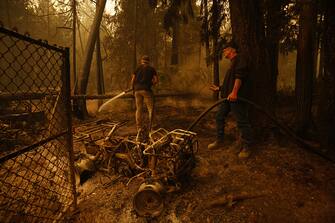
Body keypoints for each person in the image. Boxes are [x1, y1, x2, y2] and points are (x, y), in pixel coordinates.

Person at [208, 41, 253, 158]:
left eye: (225, 49)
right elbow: (231, 82)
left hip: (237, 98)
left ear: (232, 50)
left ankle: (247, 147)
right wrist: (219, 88)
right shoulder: (233, 63)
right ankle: (220, 140)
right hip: (228, 98)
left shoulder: (240, 59)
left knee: (242, 121)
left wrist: (234, 93)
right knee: (219, 116)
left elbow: (239, 77)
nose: (224, 52)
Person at [131, 55, 158, 133]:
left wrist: (134, 89)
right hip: (146, 90)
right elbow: (156, 80)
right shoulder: (152, 69)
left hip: (137, 91)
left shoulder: (137, 68)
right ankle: (152, 127)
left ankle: (139, 127)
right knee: (151, 109)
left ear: (141, 61)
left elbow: (132, 80)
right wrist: (150, 84)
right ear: (148, 61)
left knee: (139, 109)